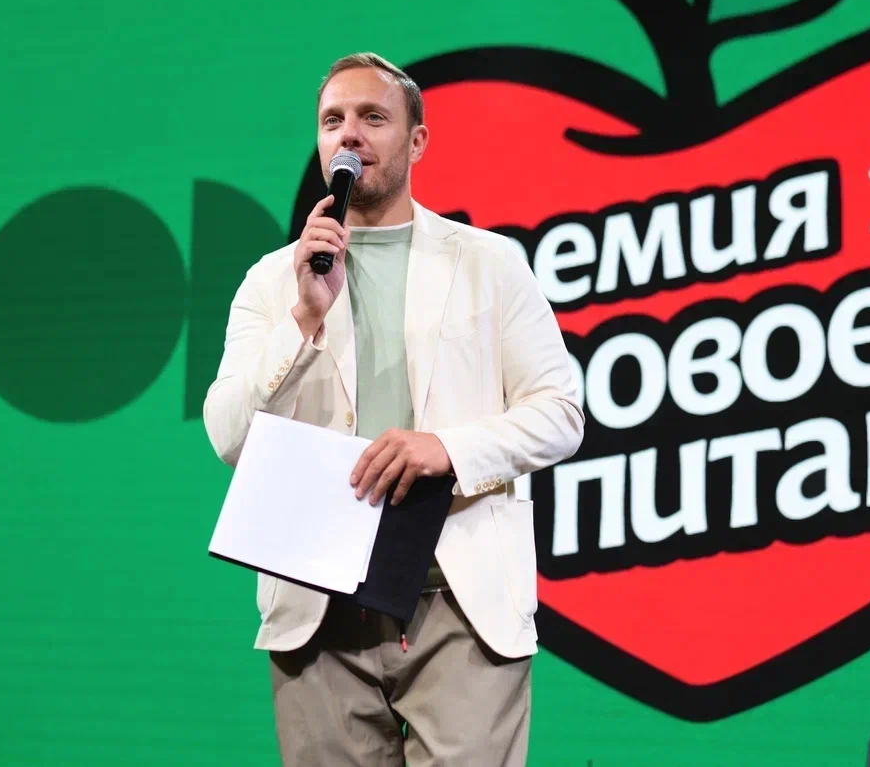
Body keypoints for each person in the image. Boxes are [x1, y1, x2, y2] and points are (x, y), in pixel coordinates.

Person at [202, 51, 584, 766]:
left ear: (417, 141)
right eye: (332, 121)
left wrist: (447, 449)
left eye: (373, 117)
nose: (349, 134)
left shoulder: (489, 262)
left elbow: (560, 411)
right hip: (318, 606)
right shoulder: (272, 282)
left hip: (457, 600)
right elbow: (228, 437)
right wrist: (303, 318)